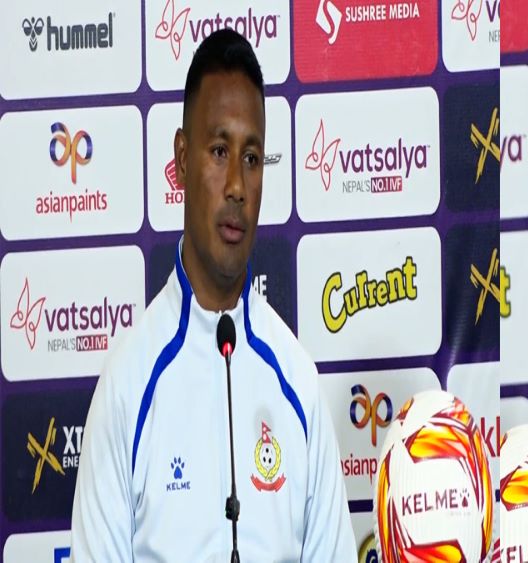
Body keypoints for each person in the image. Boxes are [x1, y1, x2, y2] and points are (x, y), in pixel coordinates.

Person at [70, 29, 355, 561]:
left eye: (252, 158)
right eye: (219, 151)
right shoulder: (128, 386)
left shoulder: (297, 381)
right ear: (182, 158)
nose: (237, 187)